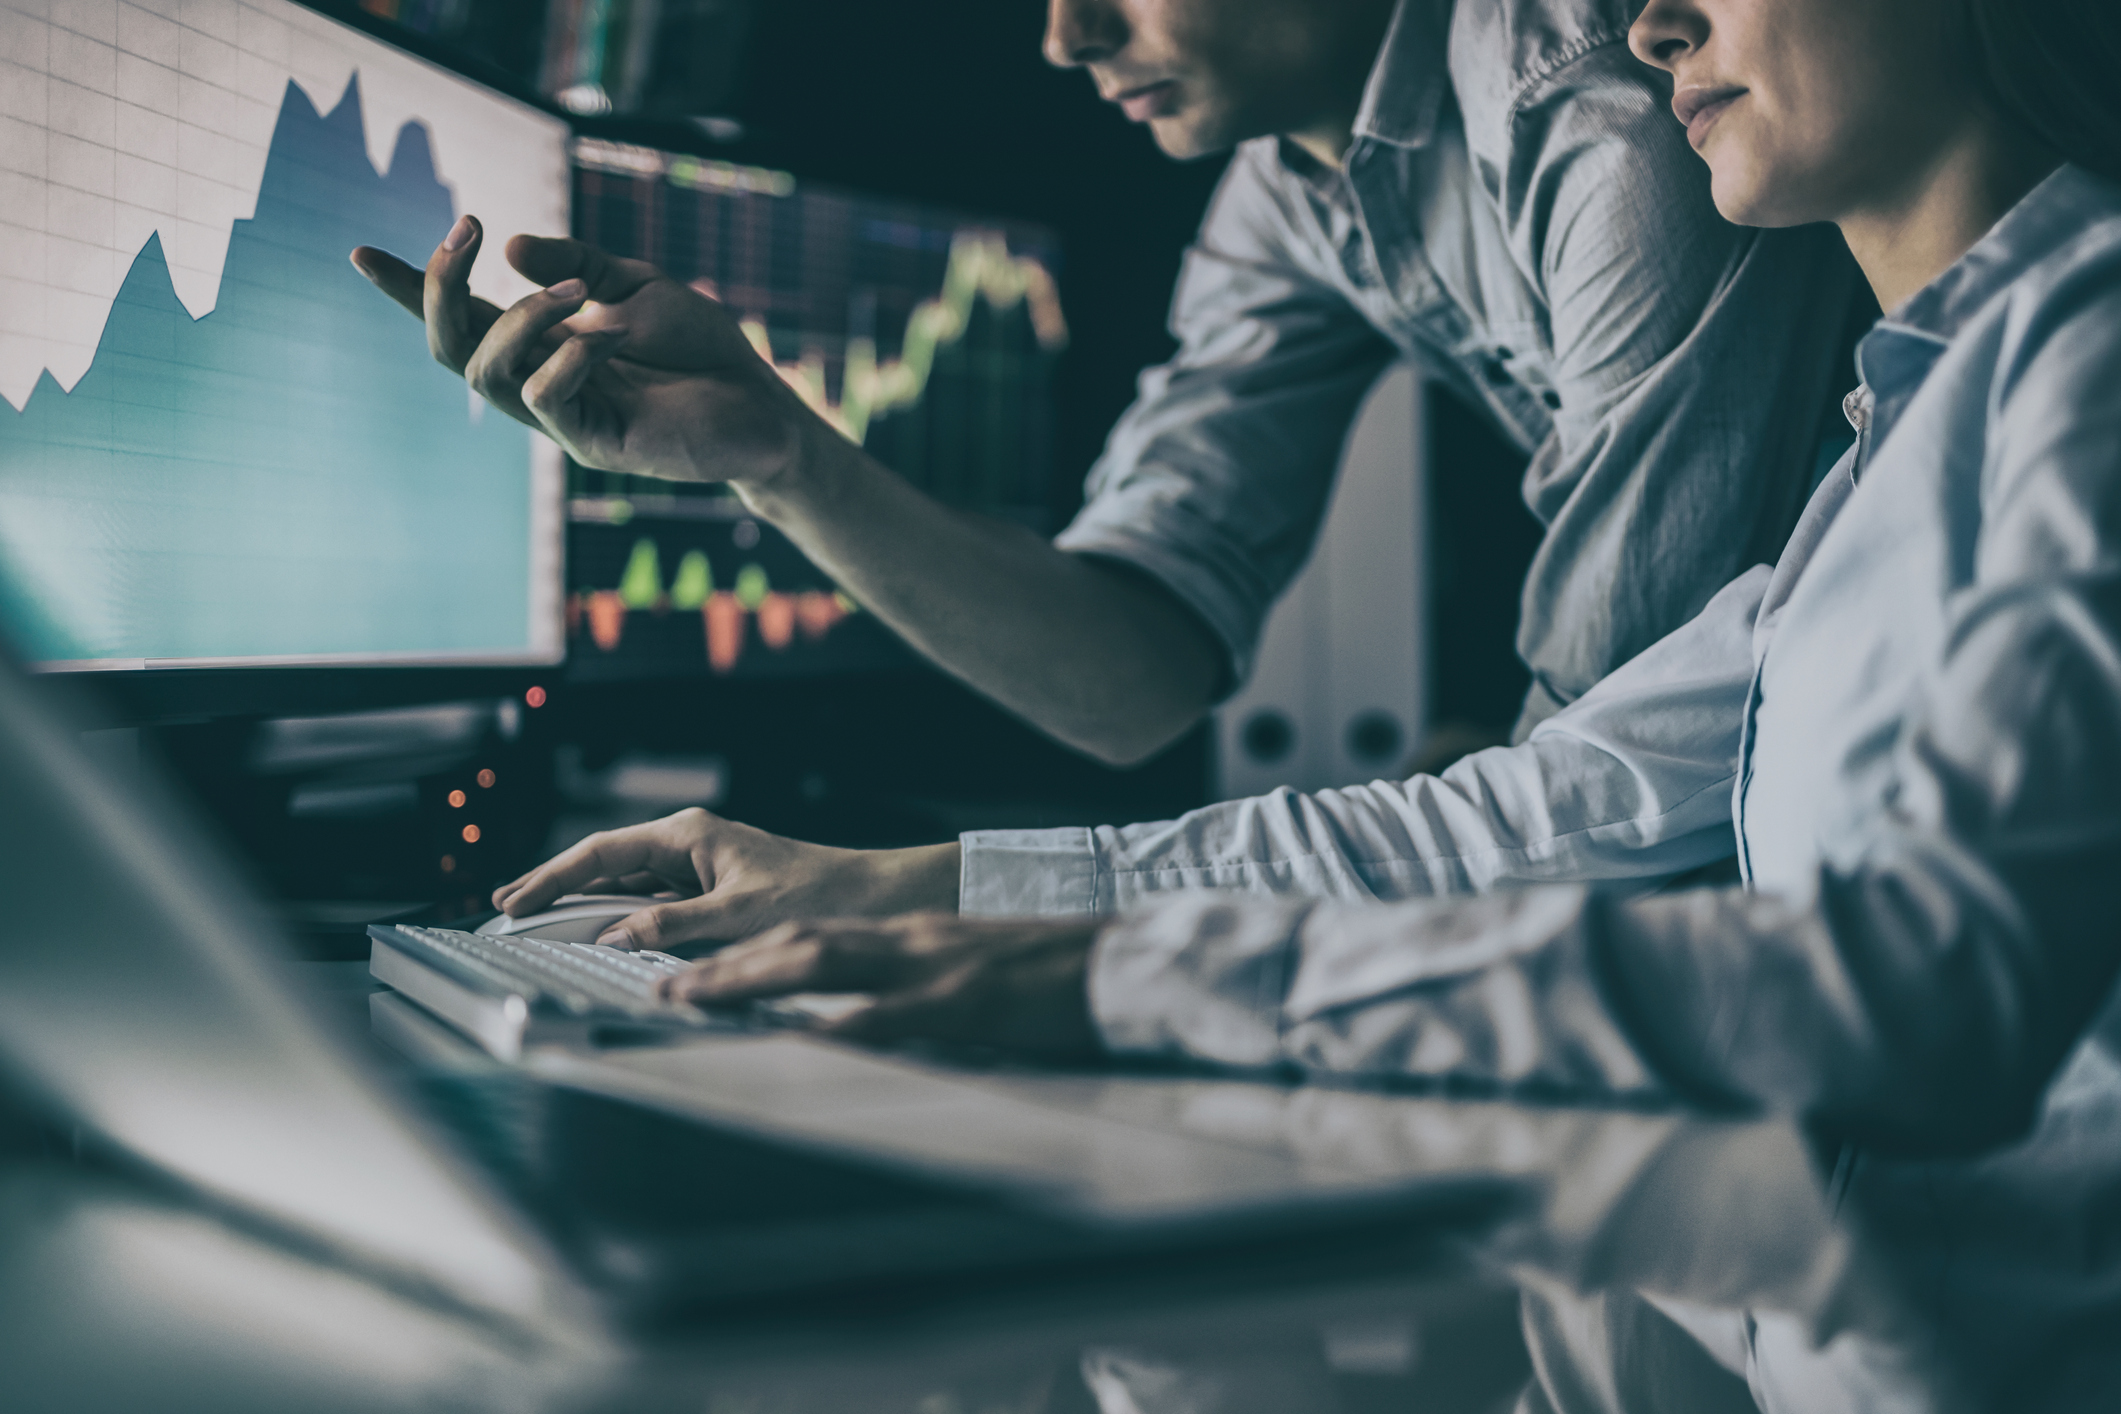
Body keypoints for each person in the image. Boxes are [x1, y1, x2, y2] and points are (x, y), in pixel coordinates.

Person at [636, 0, 2121, 1169]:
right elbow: (1553, 794)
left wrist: (1141, 981)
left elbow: (1897, 971)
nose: (1062, 34)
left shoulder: (1606, 117)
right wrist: (938, 894)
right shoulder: (1868, 470)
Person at [352, 0, 1862, 940]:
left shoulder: (1600, 112)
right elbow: (1126, 671)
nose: (1063, 35)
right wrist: (777, 455)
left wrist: (984, 906)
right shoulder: (1287, 188)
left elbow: (1594, 808)